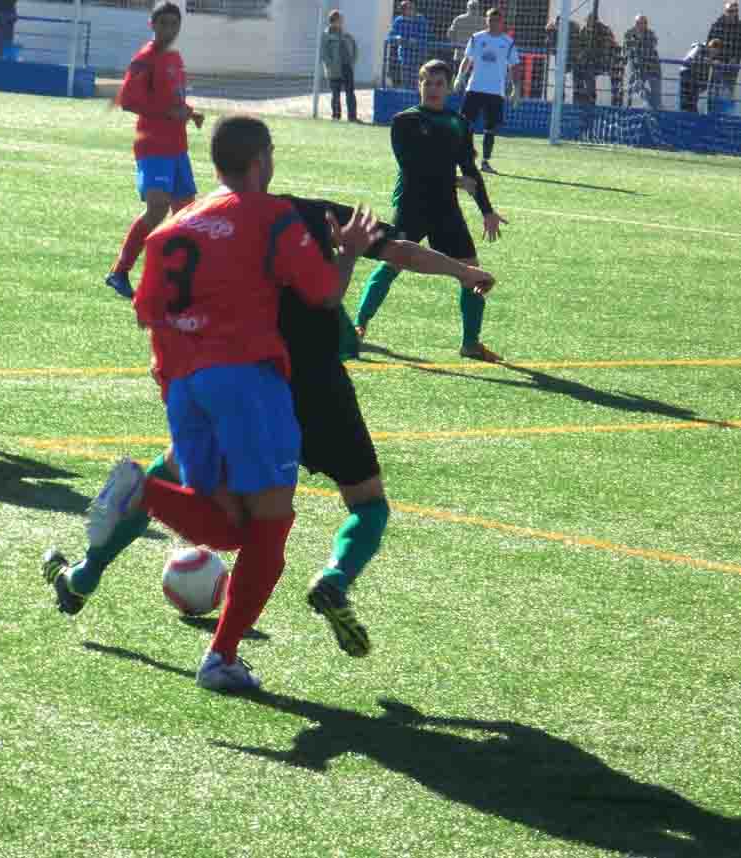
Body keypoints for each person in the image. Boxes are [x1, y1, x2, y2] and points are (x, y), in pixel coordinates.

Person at [42, 194, 494, 661]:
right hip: (320, 386)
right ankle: (334, 579)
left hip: (251, 381)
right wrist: (464, 272)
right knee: (366, 503)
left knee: (178, 476)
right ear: (263, 162)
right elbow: (399, 252)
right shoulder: (311, 214)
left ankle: (85, 576)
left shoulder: (209, 222)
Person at [64, 116, 381, 692]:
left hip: (183, 382)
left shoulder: (175, 225)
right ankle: (221, 656)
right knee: (272, 528)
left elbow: (147, 312)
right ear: (261, 161)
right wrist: (351, 251)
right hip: (246, 380)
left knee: (230, 529)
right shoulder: (269, 214)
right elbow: (323, 295)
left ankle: (148, 493)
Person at [355, 59, 508, 362]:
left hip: (445, 207)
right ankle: (360, 324)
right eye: (428, 82)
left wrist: (487, 210)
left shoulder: (459, 123)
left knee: (471, 270)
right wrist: (454, 180)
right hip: (412, 203)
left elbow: (470, 170)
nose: (434, 89)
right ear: (419, 85)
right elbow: (412, 165)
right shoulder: (405, 121)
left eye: (440, 83)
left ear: (449, 88)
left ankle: (470, 343)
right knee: (391, 263)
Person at [104, 2, 204, 300]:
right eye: (164, 24)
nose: (169, 30)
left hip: (177, 147)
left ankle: (175, 281)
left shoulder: (174, 58)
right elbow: (128, 101)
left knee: (186, 217)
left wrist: (189, 112)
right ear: (152, 24)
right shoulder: (144, 59)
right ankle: (120, 271)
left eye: (174, 25)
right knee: (158, 208)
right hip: (153, 146)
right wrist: (167, 113)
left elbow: (172, 98)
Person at [455, 6, 521, 174]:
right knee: (465, 125)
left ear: (502, 22)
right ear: (486, 20)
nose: (493, 23)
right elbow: (467, 59)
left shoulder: (508, 42)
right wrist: (459, 77)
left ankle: (485, 161)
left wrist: (516, 88)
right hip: (475, 88)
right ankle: (465, 157)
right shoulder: (477, 38)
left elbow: (514, 67)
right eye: (490, 19)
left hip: (495, 92)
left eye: (497, 20)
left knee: (490, 128)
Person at [575, 12, 624, 108]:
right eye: (588, 21)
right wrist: (583, 56)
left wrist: (600, 55)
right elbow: (580, 47)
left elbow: (609, 46)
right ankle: (590, 100)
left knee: (616, 73)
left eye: (591, 21)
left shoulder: (605, 30)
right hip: (593, 63)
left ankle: (616, 102)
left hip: (607, 61)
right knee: (586, 72)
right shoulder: (584, 31)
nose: (589, 24)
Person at [321, 9, 359, 122]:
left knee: (350, 93)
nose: (342, 22)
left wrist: (352, 61)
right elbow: (324, 53)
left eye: (342, 20)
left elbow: (355, 47)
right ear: (334, 21)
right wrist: (330, 65)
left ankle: (352, 117)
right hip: (334, 70)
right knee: (335, 94)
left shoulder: (346, 34)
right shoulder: (326, 35)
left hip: (347, 67)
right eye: (340, 20)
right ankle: (336, 116)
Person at [389, 0, 430, 90]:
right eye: (405, 8)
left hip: (419, 54)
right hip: (405, 54)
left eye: (410, 8)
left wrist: (416, 40)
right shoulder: (398, 20)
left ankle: (419, 93)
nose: (408, 10)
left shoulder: (421, 20)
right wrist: (397, 37)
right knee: (406, 77)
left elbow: (425, 36)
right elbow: (391, 35)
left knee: (419, 76)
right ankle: (407, 92)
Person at [623, 15, 661, 111]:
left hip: (652, 66)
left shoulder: (650, 34)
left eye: (644, 23)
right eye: (639, 23)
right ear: (636, 24)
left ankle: (656, 109)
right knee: (634, 86)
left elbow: (650, 47)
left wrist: (636, 46)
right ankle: (649, 104)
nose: (642, 25)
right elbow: (626, 50)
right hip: (636, 67)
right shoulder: (629, 34)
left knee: (656, 91)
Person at [679, 38, 724, 112]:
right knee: (689, 98)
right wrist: (711, 61)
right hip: (688, 73)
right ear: (713, 47)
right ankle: (690, 113)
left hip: (691, 75)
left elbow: (703, 70)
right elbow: (692, 59)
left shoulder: (705, 52)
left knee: (690, 99)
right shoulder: (700, 48)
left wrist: (703, 85)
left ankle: (690, 112)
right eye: (716, 52)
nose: (715, 55)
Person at [708, 2, 741, 96]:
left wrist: (736, 58)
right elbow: (709, 45)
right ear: (725, 11)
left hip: (732, 67)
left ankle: (726, 109)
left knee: (728, 93)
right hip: (717, 66)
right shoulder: (716, 25)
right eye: (730, 11)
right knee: (713, 92)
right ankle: (711, 109)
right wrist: (714, 60)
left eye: (736, 11)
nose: (733, 13)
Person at [447, 0, 486, 67]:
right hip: (475, 56)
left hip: (461, 54)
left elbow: (450, 34)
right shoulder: (483, 21)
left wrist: (455, 43)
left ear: (467, 8)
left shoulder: (459, 19)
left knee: (459, 76)